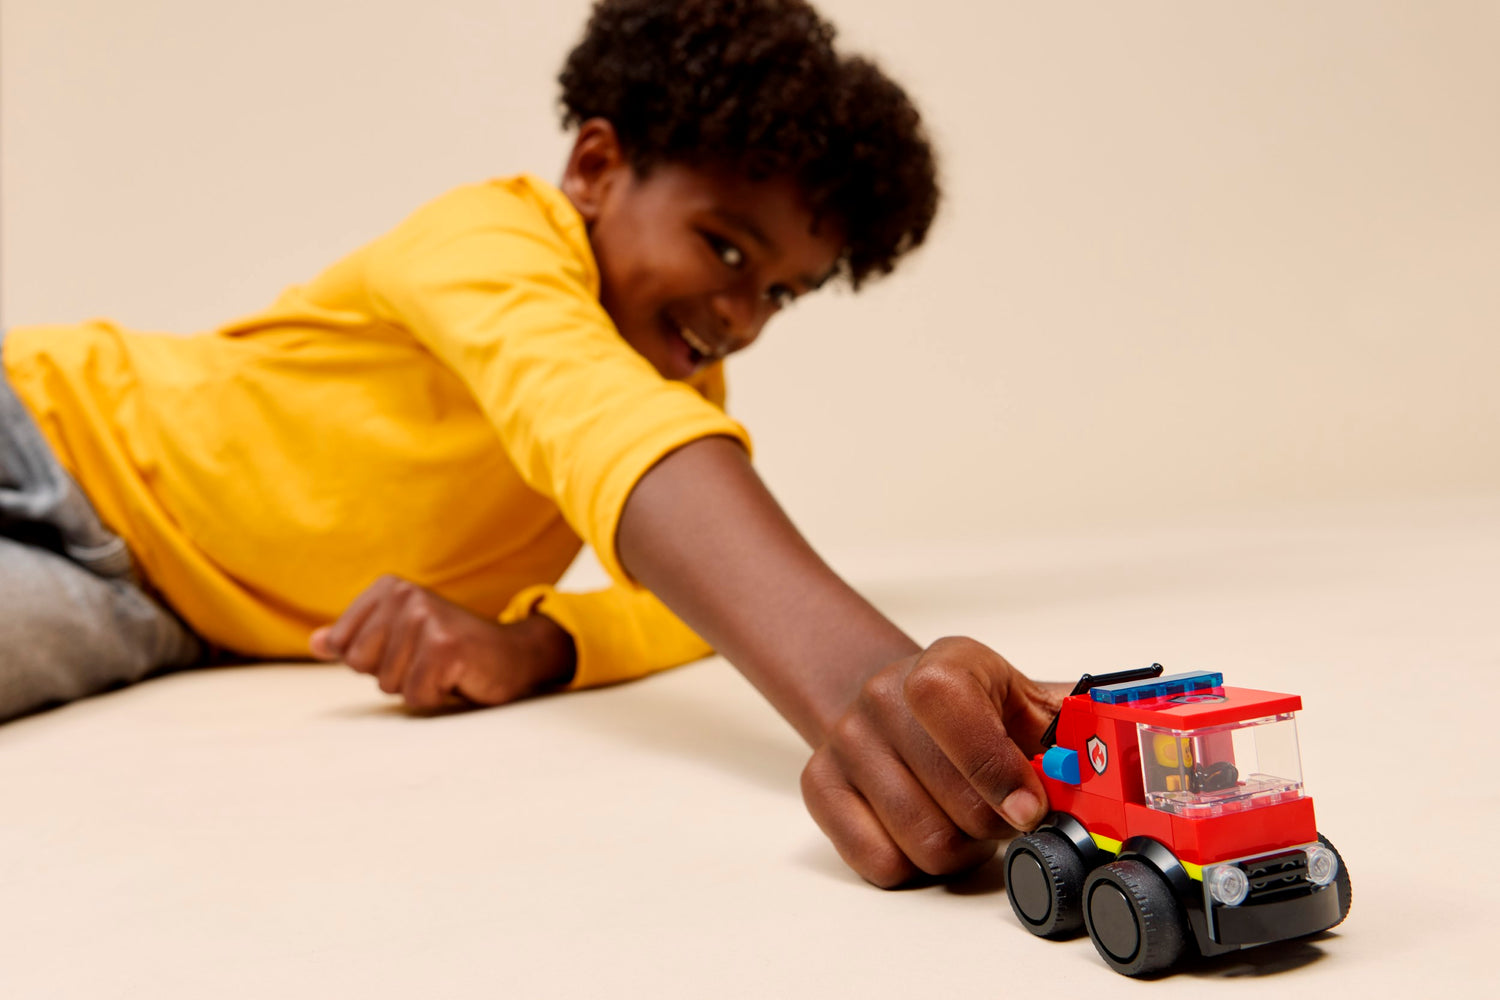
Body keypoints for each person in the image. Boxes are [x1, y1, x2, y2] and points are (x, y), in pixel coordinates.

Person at [0, 0, 1063, 888]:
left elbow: (685, 599)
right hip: (44, 430)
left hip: (156, 610)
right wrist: (880, 680)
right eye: (727, 249)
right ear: (596, 166)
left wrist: (534, 644)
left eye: (780, 292)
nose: (741, 316)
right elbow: (601, 425)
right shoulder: (491, 242)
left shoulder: (671, 378)